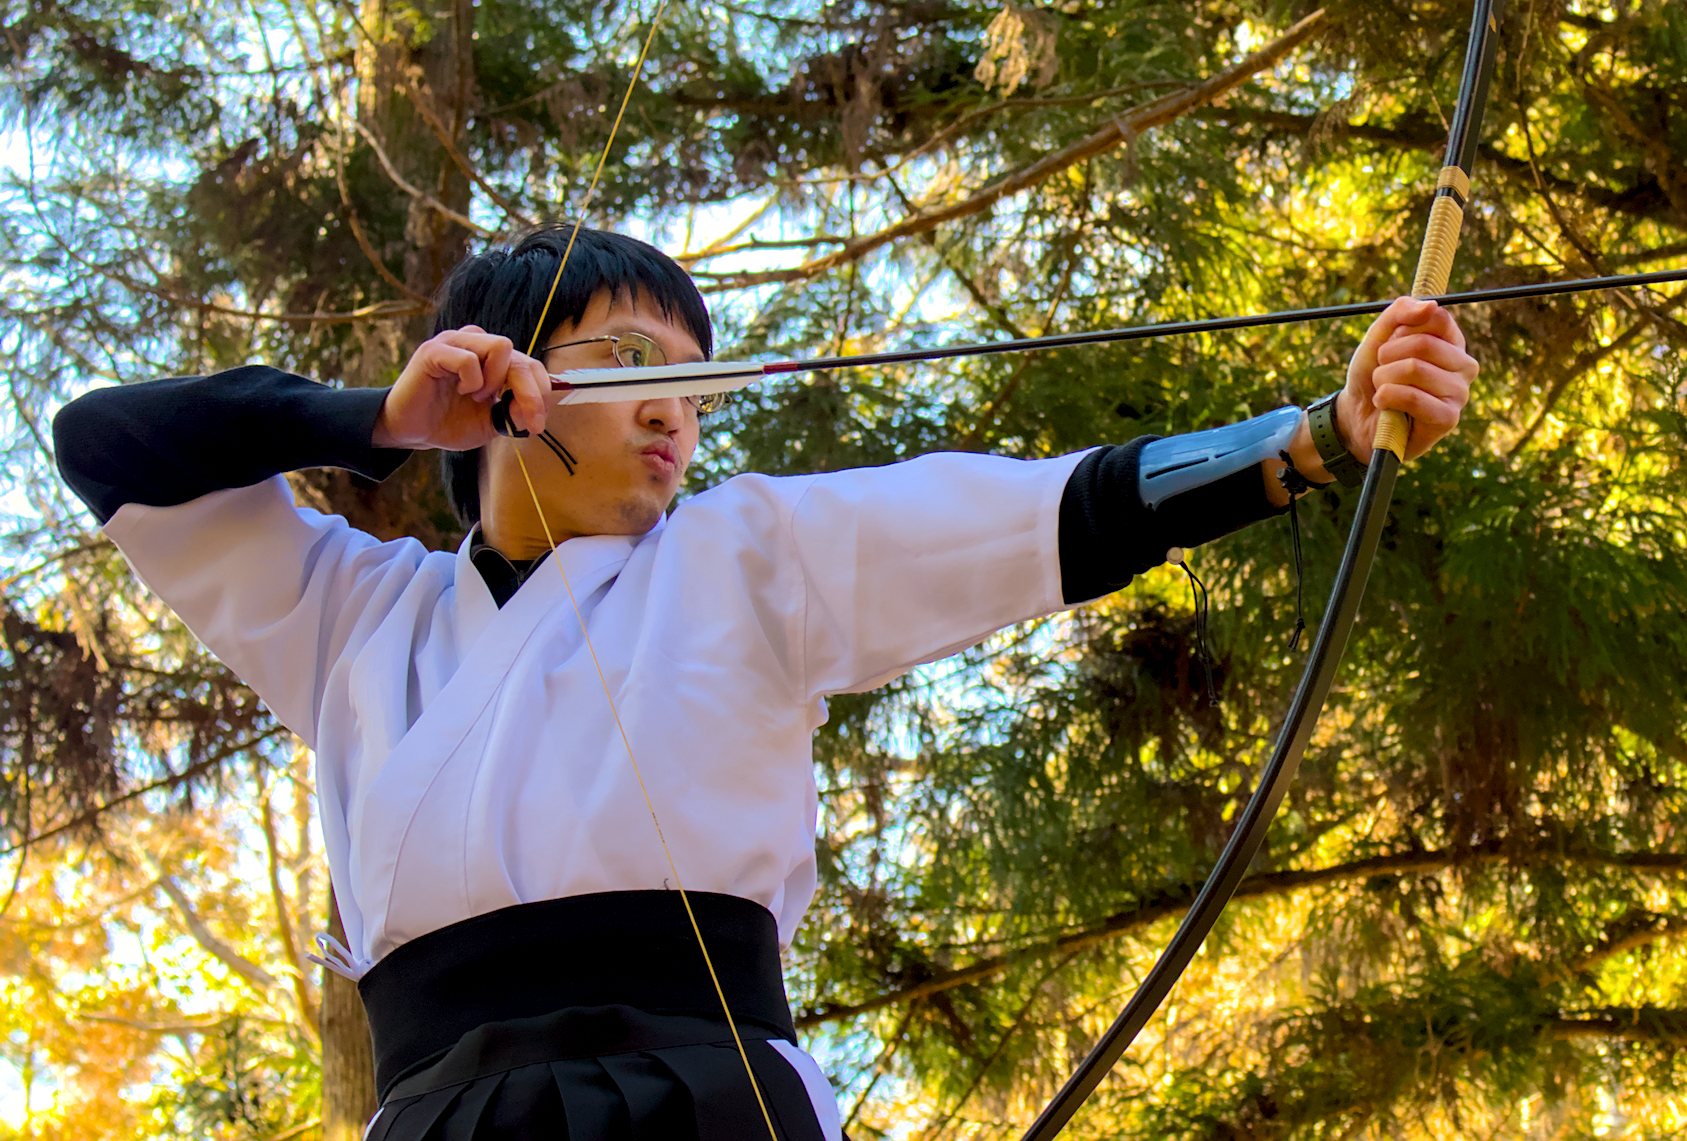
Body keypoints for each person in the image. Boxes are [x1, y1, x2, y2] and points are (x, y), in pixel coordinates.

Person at [53, 225, 1477, 1140]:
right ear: (498, 378)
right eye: (627, 362)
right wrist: (374, 417)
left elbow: (1044, 510)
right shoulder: (354, 616)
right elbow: (102, 442)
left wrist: (1315, 438)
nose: (673, 411)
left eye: (694, 382)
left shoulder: (748, 555)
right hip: (435, 1119)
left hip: (704, 1101)